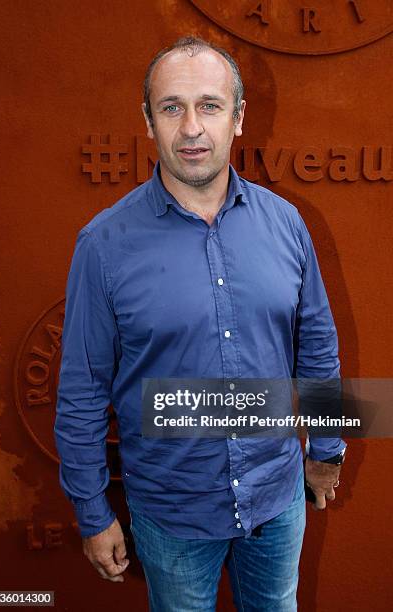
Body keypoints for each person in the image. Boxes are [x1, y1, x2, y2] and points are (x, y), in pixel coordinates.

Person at [54, 36, 347, 611]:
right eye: (172, 108)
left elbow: (317, 346)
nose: (191, 127)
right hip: (172, 515)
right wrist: (92, 511)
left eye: (210, 105)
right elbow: (82, 390)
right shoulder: (103, 245)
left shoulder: (286, 224)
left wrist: (327, 450)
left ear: (238, 118)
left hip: (276, 500)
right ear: (148, 121)